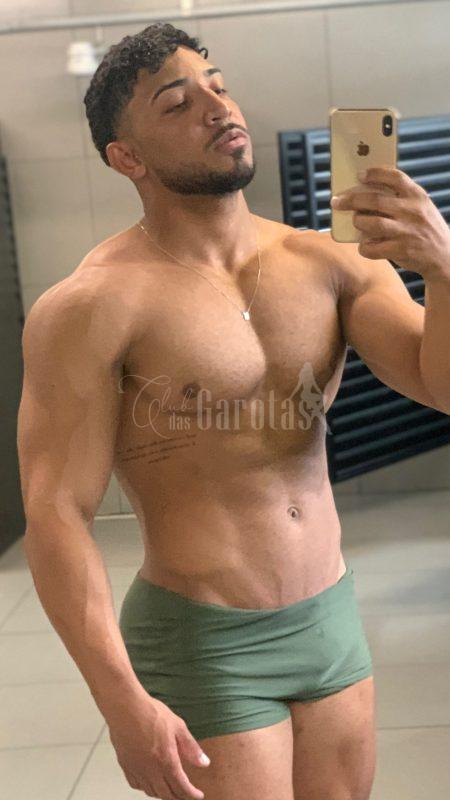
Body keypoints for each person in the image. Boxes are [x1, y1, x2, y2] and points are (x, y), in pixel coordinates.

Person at [18, 22, 442, 800]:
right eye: (178, 103)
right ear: (128, 158)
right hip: (206, 637)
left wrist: (442, 270)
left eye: (218, 85)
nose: (217, 108)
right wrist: (119, 702)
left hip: (329, 615)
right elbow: (56, 513)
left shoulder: (328, 261)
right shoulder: (90, 305)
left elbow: (437, 383)